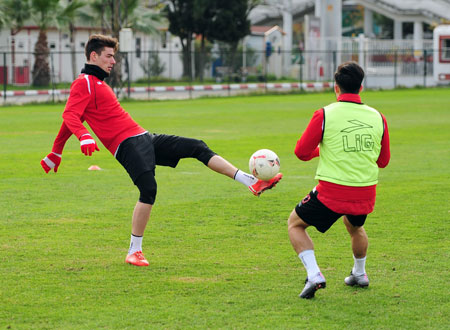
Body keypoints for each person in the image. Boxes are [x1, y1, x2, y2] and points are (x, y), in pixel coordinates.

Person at [40, 34, 282, 267]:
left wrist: (56, 152)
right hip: (127, 146)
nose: (113, 61)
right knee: (149, 190)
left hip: (144, 137)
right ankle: (134, 251)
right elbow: (70, 115)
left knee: (196, 146)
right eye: (109, 56)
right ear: (93, 56)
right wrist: (83, 136)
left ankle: (250, 181)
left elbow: (72, 116)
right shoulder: (84, 83)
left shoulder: (97, 84)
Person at [288, 61, 390, 298]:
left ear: (336, 88)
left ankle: (314, 275)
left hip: (331, 193)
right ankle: (359, 274)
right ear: (361, 88)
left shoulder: (324, 114)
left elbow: (302, 152)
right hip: (365, 193)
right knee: (355, 226)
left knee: (295, 224)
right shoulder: (378, 117)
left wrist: (323, 150)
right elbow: (383, 161)